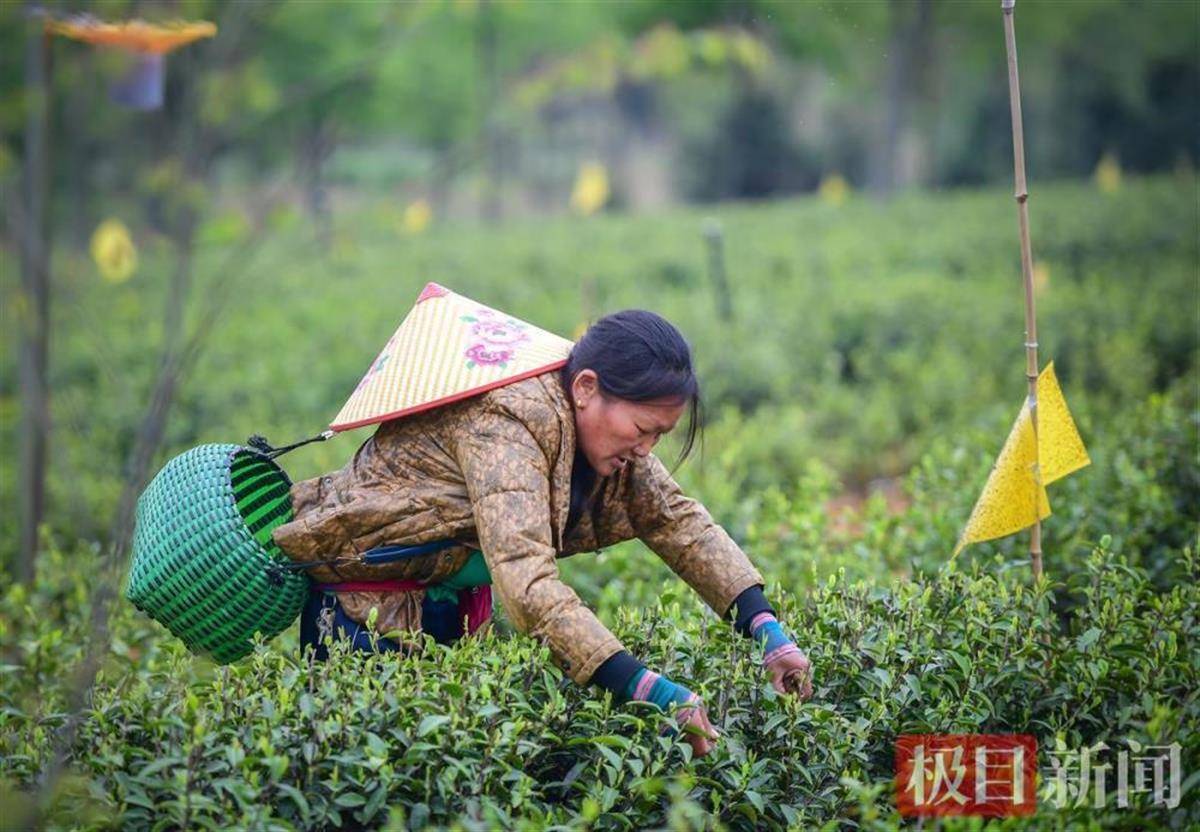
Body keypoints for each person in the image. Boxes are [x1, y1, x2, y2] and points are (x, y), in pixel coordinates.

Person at [273, 309, 813, 758]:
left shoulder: (598, 433)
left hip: (449, 603)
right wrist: (650, 690)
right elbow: (527, 584)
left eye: (659, 436)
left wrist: (768, 632)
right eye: (642, 430)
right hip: (366, 615)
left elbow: (676, 520)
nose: (646, 450)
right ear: (585, 388)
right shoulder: (508, 422)